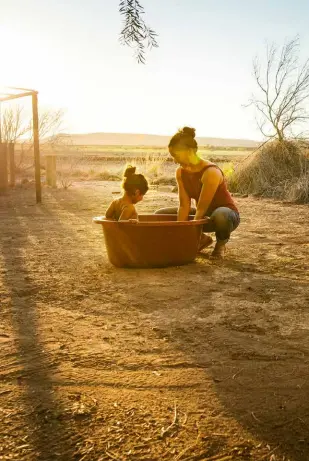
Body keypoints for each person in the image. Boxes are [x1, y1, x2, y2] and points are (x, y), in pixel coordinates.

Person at [155, 127, 240, 258]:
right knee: (160, 215)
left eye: (176, 155)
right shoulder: (180, 172)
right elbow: (184, 205)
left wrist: (189, 238)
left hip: (226, 216)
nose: (174, 160)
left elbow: (201, 208)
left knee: (220, 214)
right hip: (205, 216)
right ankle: (202, 239)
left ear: (189, 151)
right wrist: (180, 233)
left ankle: (221, 244)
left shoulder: (210, 172)